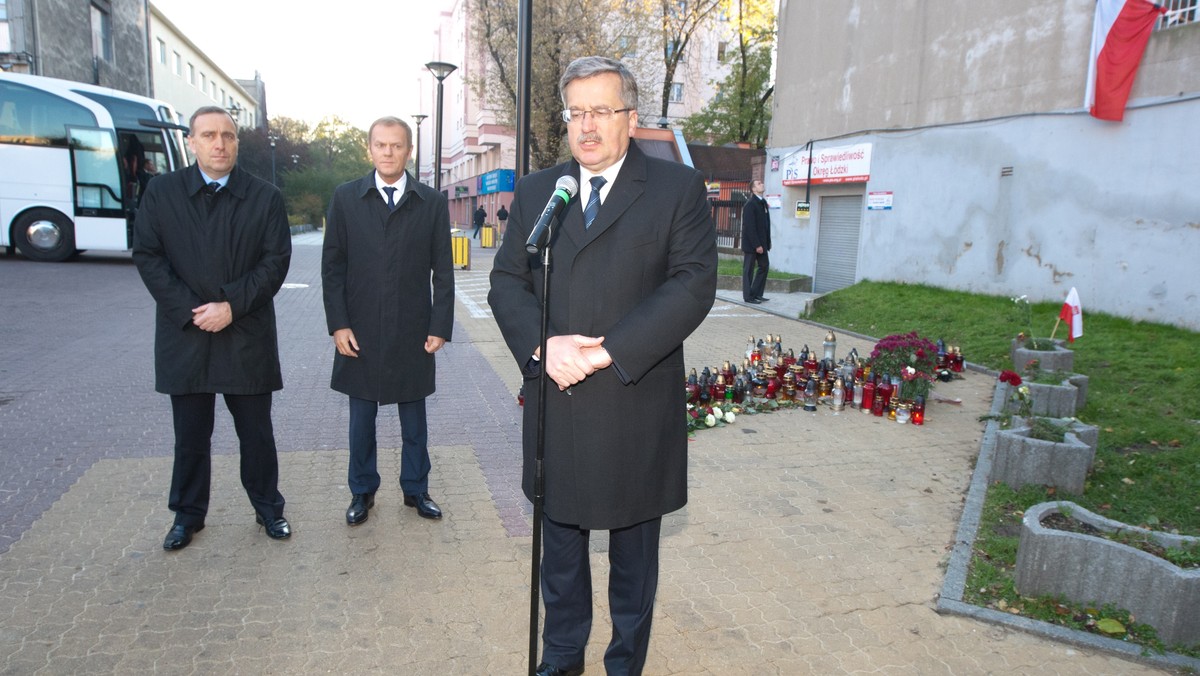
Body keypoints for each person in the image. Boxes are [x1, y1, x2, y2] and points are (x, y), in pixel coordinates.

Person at [488, 56, 717, 676]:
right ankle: (561, 658)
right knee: (559, 550)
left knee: (633, 557)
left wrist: (607, 348)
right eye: (576, 113)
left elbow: (693, 285)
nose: (586, 127)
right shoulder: (541, 190)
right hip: (556, 397)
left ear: (631, 118)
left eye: (601, 111)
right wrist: (544, 347)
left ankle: (625, 663)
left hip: (632, 396)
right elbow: (507, 281)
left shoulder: (676, 189)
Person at [132, 105, 292, 551]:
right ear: (191, 142)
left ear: (237, 142)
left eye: (227, 135)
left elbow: (275, 262)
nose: (218, 143)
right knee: (190, 437)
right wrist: (191, 309)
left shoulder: (264, 197)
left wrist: (231, 306)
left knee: (257, 435)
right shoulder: (162, 193)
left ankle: (268, 509)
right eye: (208, 135)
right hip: (187, 336)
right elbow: (147, 255)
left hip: (246, 335)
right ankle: (187, 516)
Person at [322, 116, 454, 526]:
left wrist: (439, 326)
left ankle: (416, 489)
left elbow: (443, 270)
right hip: (359, 331)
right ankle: (362, 492)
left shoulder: (430, 201)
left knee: (414, 420)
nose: (388, 153)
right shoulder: (346, 198)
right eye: (381, 145)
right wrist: (338, 324)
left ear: (409, 151)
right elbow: (332, 268)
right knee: (361, 421)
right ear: (369, 149)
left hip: (413, 330)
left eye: (397, 146)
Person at [741, 178, 771, 304]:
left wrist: (767, 242)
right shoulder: (750, 204)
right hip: (752, 245)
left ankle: (757, 293)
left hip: (762, 243)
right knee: (748, 270)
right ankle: (748, 297)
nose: (762, 184)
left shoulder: (763, 203)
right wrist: (757, 244)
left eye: (761, 183)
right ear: (753, 189)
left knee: (764, 266)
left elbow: (766, 225)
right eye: (759, 184)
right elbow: (749, 227)